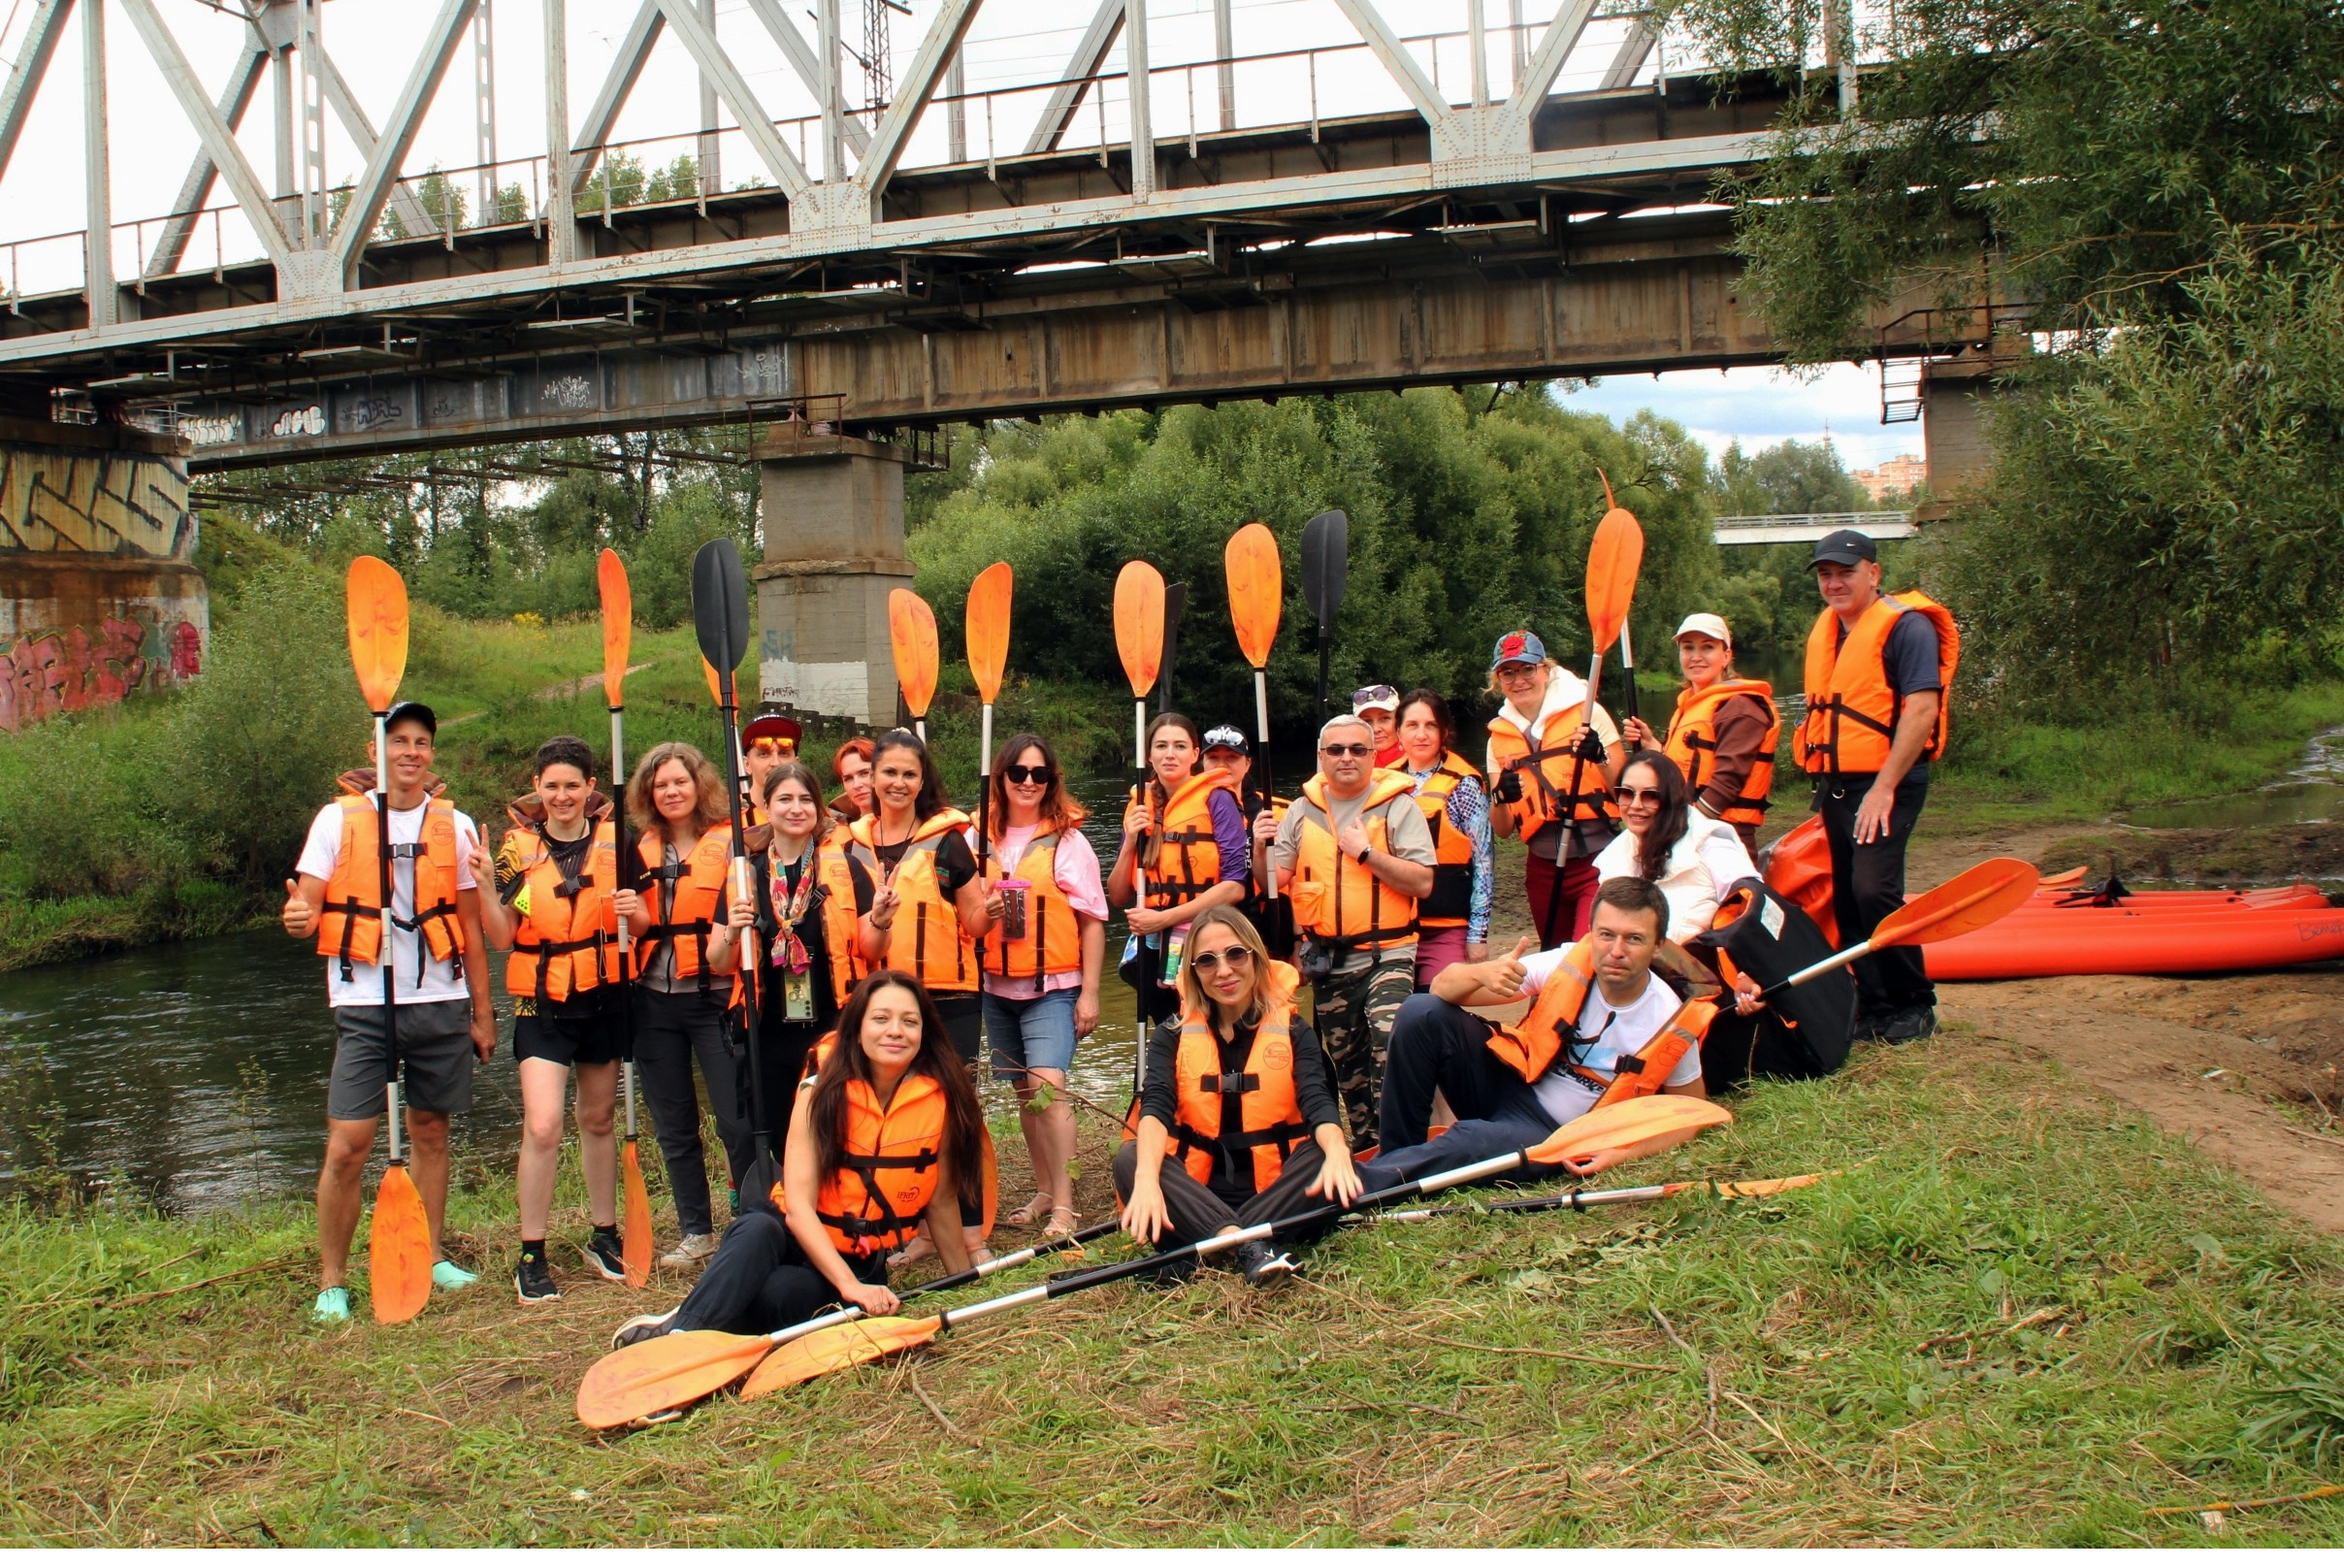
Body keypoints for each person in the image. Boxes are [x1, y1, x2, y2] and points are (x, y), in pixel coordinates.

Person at [609, 972, 987, 1350]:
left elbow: (940, 1202)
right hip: (789, 1229)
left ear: (924, 1033)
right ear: (857, 1028)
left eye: (909, 1021)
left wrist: (963, 1281)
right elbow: (799, 1211)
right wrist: (850, 1287)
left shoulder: (939, 1101)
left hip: (855, 1252)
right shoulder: (820, 1091)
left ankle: (702, 1315)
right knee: (756, 1230)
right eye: (881, 1019)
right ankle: (681, 1336)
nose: (895, 1031)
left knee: (785, 1293)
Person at [280, 700, 495, 1324]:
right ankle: (333, 1281)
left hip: (439, 999)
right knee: (349, 1144)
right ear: (375, 751)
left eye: (420, 742)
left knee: (431, 1133)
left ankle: (427, 1259)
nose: (409, 752)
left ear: (431, 754)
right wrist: (297, 920)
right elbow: (307, 908)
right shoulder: (336, 820)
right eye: (397, 740)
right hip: (364, 1002)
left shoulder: (455, 826)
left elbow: (471, 927)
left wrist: (483, 1013)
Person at [1361, 878, 1734, 1193]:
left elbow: (1693, 1115)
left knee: (1472, 1138)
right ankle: (1396, 1153)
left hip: (1551, 1133)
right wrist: (1482, 974)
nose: (1616, 951)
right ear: (1592, 933)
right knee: (1418, 1012)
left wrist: (1624, 1153)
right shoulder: (1568, 963)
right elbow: (1440, 990)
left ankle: (1367, 1183)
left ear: (1657, 945)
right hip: (1511, 1082)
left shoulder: (1668, 1016)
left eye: (1633, 939)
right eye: (1606, 935)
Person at [1116, 907, 1364, 1286]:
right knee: (1132, 1159)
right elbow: (1156, 1109)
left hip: (1279, 1191)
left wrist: (1338, 1152)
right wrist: (1148, 1179)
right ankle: (1248, 1245)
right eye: (1207, 961)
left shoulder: (1295, 1032)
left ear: (1255, 956)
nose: (1224, 971)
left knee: (1323, 1153)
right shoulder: (1173, 1034)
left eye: (1235, 954)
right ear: (1194, 973)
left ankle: (1212, 1249)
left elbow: (1319, 1105)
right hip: (1199, 1196)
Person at [474, 735, 625, 1305]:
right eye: (551, 785)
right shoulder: (516, 851)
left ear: (591, 789)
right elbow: (501, 936)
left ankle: (604, 1234)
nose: (562, 796)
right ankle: (531, 1253)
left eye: (573, 785)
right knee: (542, 1126)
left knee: (599, 1118)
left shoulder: (618, 845)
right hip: (541, 1001)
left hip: (604, 994)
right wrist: (489, 888)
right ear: (536, 789)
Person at [1798, 529, 1960, 1043]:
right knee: (1846, 898)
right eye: (1826, 574)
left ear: (1874, 573)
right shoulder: (1830, 629)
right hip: (1840, 784)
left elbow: (1923, 709)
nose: (1835, 583)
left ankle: (1915, 1004)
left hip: (1888, 781)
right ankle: (1875, 1004)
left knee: (1875, 892)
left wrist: (1884, 787)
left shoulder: (1907, 629)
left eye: (1846, 572)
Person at [1269, 713, 1437, 1148]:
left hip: (1390, 952)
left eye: (1357, 749)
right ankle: (1366, 1145)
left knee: (1390, 1037)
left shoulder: (1398, 806)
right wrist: (1258, 844)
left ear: (1374, 756)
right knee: (1348, 1062)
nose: (1347, 757)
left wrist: (1366, 853)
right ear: (1321, 756)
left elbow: (1422, 881)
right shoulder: (1301, 811)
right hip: (1330, 959)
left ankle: (1402, 1142)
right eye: (1336, 750)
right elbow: (1274, 880)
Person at [612, 741, 749, 1270]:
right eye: (660, 784)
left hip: (713, 996)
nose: (670, 792)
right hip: (652, 1000)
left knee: (736, 1119)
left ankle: (751, 1216)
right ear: (649, 793)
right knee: (674, 1123)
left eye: (680, 782)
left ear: (699, 787)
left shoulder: (730, 843)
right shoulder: (635, 850)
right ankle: (697, 1230)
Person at [977, 734, 1107, 1240]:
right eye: (1018, 773)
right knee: (1022, 1092)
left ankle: (1066, 1207)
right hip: (996, 988)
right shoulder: (977, 837)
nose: (1028, 782)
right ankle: (1045, 1189)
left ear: (1051, 781)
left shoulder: (1068, 842)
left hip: (1053, 987)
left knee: (1048, 1088)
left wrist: (1091, 992)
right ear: (1002, 778)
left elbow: (1094, 920)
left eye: (1039, 774)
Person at [710, 761, 881, 1142]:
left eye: (806, 799)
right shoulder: (745, 875)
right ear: (767, 808)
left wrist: (883, 920)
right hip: (768, 1035)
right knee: (778, 1138)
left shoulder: (846, 868)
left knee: (837, 1134)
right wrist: (733, 932)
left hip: (834, 1029)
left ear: (818, 810)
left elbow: (874, 948)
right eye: (784, 799)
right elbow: (719, 962)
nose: (796, 808)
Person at [845, 730, 990, 1063]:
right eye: (890, 772)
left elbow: (975, 924)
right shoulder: (850, 849)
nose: (899, 783)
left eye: (909, 774)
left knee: (953, 1103)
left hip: (949, 998)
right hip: (879, 998)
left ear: (922, 782)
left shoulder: (948, 844)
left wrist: (991, 911)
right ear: (873, 777)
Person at [1107, 712, 1251, 1032]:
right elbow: (1118, 895)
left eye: (1179, 746)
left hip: (1207, 935)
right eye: (1161, 746)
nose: (1170, 754)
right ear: (1149, 755)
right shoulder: (1139, 806)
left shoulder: (1218, 799)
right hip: (1153, 940)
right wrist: (1130, 841)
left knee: (1208, 1028)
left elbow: (1235, 886)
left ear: (1195, 755)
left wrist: (1165, 919)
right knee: (1166, 1033)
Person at [1484, 630, 1625, 949]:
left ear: (1545, 671)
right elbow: (1503, 828)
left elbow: (1626, 794)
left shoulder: (1588, 712)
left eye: (1527, 669)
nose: (1519, 680)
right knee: (1552, 956)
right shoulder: (1498, 740)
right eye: (1508, 672)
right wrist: (1501, 796)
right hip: (1543, 868)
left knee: (1587, 952)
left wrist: (1599, 755)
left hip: (1598, 858)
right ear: (1498, 680)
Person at [1621, 613, 1779, 858]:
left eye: (1708, 647)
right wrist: (1651, 745)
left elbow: (1727, 783)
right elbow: (1683, 769)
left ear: (1726, 656)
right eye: (1688, 648)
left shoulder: (1740, 707)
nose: (1696, 656)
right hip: (1688, 829)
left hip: (1722, 837)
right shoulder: (1691, 705)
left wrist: (1684, 831)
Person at [1592, 752, 1760, 946]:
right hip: (1633, 967)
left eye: (1651, 796)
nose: (1635, 805)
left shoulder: (1711, 845)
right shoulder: (1615, 856)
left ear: (1671, 799)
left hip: (1700, 968)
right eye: (1627, 793)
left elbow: (1754, 908)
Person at [1393, 689, 1492, 990]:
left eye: (1431, 725)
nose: (1421, 735)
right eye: (1412, 725)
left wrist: (1477, 936)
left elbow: (1484, 865)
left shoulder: (1464, 788)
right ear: (1398, 732)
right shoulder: (1382, 783)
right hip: (1394, 927)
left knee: (1435, 1006)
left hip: (1445, 926)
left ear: (1444, 732)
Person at [1208, 724, 1296, 962]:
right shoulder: (1186, 813)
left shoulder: (1280, 812)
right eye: (1213, 757)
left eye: (1232, 758)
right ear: (1202, 762)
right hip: (1210, 927)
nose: (1222, 765)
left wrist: (1300, 943)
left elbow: (1297, 883)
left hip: (1267, 927)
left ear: (1247, 763)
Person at [741, 708, 802, 816]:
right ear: (747, 764)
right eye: (764, 754)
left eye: (783, 753)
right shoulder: (727, 817)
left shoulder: (816, 819)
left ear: (797, 763)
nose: (776, 763)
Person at [829, 735, 876, 835]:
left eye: (864, 773)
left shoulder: (913, 826)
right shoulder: (835, 832)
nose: (856, 785)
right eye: (848, 778)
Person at [1351, 684, 1403, 768]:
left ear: (1400, 720)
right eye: (1367, 721)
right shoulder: (1347, 764)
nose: (1375, 729)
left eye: (1384, 719)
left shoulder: (1419, 760)